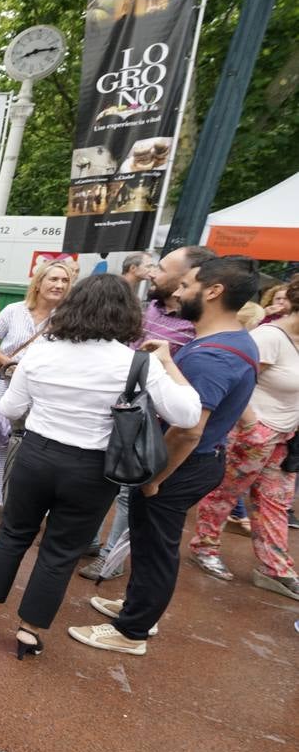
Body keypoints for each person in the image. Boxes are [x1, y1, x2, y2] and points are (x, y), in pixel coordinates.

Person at [0, 276, 200, 658]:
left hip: (36, 453)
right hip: (94, 467)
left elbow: (9, 410)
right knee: (60, 550)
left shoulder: (43, 351)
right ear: (126, 315)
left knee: (12, 533)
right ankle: (29, 630)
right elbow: (187, 413)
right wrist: (169, 362)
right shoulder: (136, 363)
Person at [70, 255, 262, 656]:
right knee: (147, 541)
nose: (178, 291)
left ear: (214, 292)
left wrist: (155, 477)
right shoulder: (231, 341)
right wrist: (171, 363)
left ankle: (132, 630)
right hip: (196, 461)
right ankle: (140, 607)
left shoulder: (214, 355)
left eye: (188, 284)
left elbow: (190, 428)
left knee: (156, 546)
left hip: (182, 463)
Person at [78, 245, 218, 578]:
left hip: (152, 425)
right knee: (105, 479)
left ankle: (111, 558)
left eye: (163, 268)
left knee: (130, 492)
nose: (153, 273)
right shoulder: (149, 309)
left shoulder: (195, 328)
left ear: (190, 277)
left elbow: (188, 409)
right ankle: (89, 540)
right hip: (120, 412)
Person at [186, 277, 299, 598]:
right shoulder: (270, 337)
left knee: (276, 503)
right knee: (224, 494)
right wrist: (253, 426)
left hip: (283, 437)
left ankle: (275, 568)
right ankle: (205, 547)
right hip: (251, 435)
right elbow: (239, 381)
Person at [0, 259, 72, 506]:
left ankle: (10, 496)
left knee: (22, 442)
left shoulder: (68, 319)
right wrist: (10, 364)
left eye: (64, 280)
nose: (59, 285)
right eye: (53, 279)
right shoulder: (14, 310)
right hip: (2, 382)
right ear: (38, 283)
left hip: (38, 391)